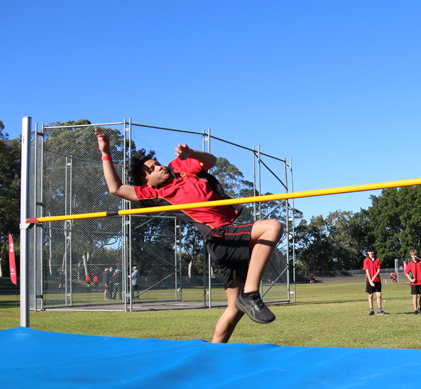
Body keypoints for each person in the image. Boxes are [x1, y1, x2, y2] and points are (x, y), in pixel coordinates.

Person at [95, 128, 282, 343]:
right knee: (272, 227)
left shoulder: (179, 166)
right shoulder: (153, 193)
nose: (159, 167)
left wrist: (191, 153)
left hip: (222, 238)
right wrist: (105, 152)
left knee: (234, 309)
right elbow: (115, 188)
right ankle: (251, 293)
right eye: (152, 169)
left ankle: (212, 351)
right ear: (146, 182)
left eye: (157, 163)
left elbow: (211, 161)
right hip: (219, 235)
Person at [363, 246, 387, 316]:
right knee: (371, 295)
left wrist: (374, 277)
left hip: (377, 279)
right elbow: (367, 271)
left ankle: (379, 310)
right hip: (369, 280)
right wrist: (370, 281)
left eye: (372, 251)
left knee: (379, 295)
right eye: (370, 251)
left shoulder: (377, 259)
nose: (371, 253)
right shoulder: (366, 260)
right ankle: (371, 310)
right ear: (367, 252)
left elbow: (378, 270)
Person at [404, 249, 421, 314]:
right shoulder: (410, 264)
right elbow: (406, 273)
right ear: (411, 256)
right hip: (414, 283)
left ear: (417, 255)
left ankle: (420, 308)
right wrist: (411, 279)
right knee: (415, 296)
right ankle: (415, 310)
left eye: (415, 255)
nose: (414, 256)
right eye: (412, 255)